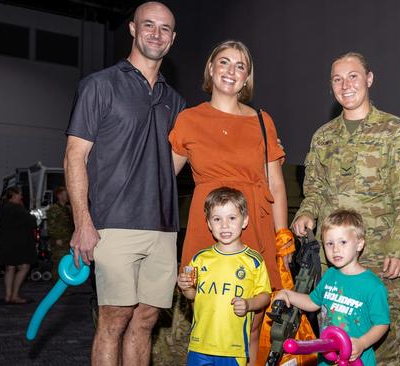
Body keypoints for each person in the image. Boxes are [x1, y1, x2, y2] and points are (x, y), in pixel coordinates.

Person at [63, 2, 186, 365]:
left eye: (165, 29)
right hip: (112, 226)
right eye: (148, 25)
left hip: (163, 228)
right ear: (132, 29)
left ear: (173, 38)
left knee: (146, 321)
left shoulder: (175, 101)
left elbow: (175, 162)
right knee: (113, 320)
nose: (156, 34)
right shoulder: (99, 86)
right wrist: (82, 222)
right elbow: (74, 156)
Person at [292, 52, 400, 365]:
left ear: (369, 79)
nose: (345, 84)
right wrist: (306, 213)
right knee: (336, 342)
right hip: (334, 261)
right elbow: (315, 190)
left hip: (380, 256)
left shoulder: (393, 130)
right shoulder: (323, 137)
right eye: (337, 79)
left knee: (386, 343)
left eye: (353, 76)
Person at [170, 39, 292, 365]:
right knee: (211, 323)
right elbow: (160, 177)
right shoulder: (188, 120)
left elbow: (277, 185)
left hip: (255, 224)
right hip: (206, 227)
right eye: (224, 62)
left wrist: (283, 239)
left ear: (247, 77)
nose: (231, 71)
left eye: (241, 66)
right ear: (211, 69)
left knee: (252, 324)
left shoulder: (263, 122)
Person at [275, 209, 389, 365]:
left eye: (343, 242)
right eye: (329, 243)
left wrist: (362, 343)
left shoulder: (373, 286)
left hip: (357, 360)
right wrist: (288, 294)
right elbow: (312, 302)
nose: (335, 249)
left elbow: (382, 324)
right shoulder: (330, 275)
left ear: (360, 244)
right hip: (327, 358)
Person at [177, 187, 271, 366]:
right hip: (199, 346)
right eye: (217, 219)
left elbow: (265, 296)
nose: (224, 225)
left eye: (232, 218)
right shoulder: (200, 259)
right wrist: (185, 286)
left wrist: (249, 304)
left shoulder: (254, 261)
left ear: (245, 221)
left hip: (233, 348)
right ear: (209, 224)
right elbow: (193, 296)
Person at [0, 186, 37, 304]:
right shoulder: (17, 208)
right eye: (20, 194)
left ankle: (8, 295)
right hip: (19, 243)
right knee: (24, 267)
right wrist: (24, 208)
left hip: (6, 243)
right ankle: (14, 295)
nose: (21, 197)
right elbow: (32, 221)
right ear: (14, 195)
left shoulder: (3, 208)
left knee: (9, 268)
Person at [46, 186, 74, 281]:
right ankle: (56, 288)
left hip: (67, 240)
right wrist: (57, 238)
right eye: (65, 195)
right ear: (59, 195)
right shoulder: (54, 209)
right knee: (59, 264)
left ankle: (64, 287)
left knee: (66, 263)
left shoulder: (67, 208)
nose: (67, 197)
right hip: (60, 241)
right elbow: (51, 226)